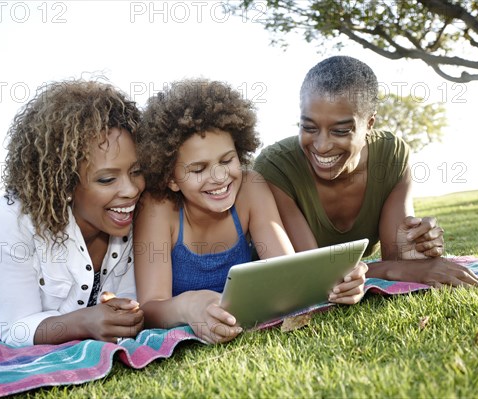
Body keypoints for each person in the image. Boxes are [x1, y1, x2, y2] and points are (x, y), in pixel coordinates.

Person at [133, 79, 368, 344]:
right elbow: (150, 309)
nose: (220, 177)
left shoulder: (251, 187)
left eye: (227, 160)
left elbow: (288, 273)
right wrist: (189, 306)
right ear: (171, 178)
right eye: (198, 169)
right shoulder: (157, 208)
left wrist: (339, 283)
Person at [0, 80, 145, 346]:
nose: (131, 189)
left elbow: (128, 306)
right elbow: (16, 329)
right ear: (64, 182)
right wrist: (84, 322)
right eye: (107, 179)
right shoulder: (13, 215)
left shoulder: (135, 217)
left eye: (136, 171)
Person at [253, 55, 478, 287]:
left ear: (369, 124)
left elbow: (399, 261)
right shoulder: (276, 167)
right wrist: (402, 269)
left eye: (341, 131)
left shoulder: (390, 155)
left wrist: (415, 247)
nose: (321, 146)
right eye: (308, 127)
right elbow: (313, 274)